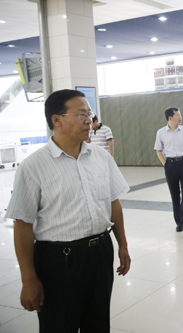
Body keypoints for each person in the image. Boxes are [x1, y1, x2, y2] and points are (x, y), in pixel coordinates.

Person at [6, 89, 131, 332]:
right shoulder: (33, 166)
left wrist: (122, 245)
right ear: (57, 120)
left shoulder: (101, 157)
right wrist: (28, 278)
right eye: (81, 114)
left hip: (100, 253)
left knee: (98, 323)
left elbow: (113, 202)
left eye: (89, 114)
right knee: (59, 324)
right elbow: (23, 224)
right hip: (58, 261)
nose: (89, 121)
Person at [155, 107, 183, 232]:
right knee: (175, 194)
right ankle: (179, 222)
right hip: (170, 164)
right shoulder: (161, 132)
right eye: (178, 115)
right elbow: (158, 150)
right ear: (170, 118)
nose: (180, 117)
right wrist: (165, 164)